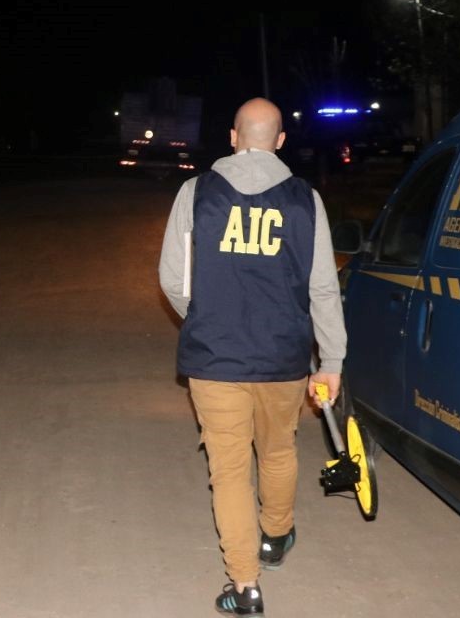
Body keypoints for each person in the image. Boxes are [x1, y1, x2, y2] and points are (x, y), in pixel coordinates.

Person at [158, 98, 346, 615]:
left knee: (229, 471)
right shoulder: (306, 200)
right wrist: (331, 361)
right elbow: (323, 288)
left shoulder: (197, 192)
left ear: (233, 137)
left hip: (215, 359)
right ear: (280, 141)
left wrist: (204, 317)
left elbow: (172, 278)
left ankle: (245, 586)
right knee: (279, 450)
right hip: (283, 358)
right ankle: (276, 537)